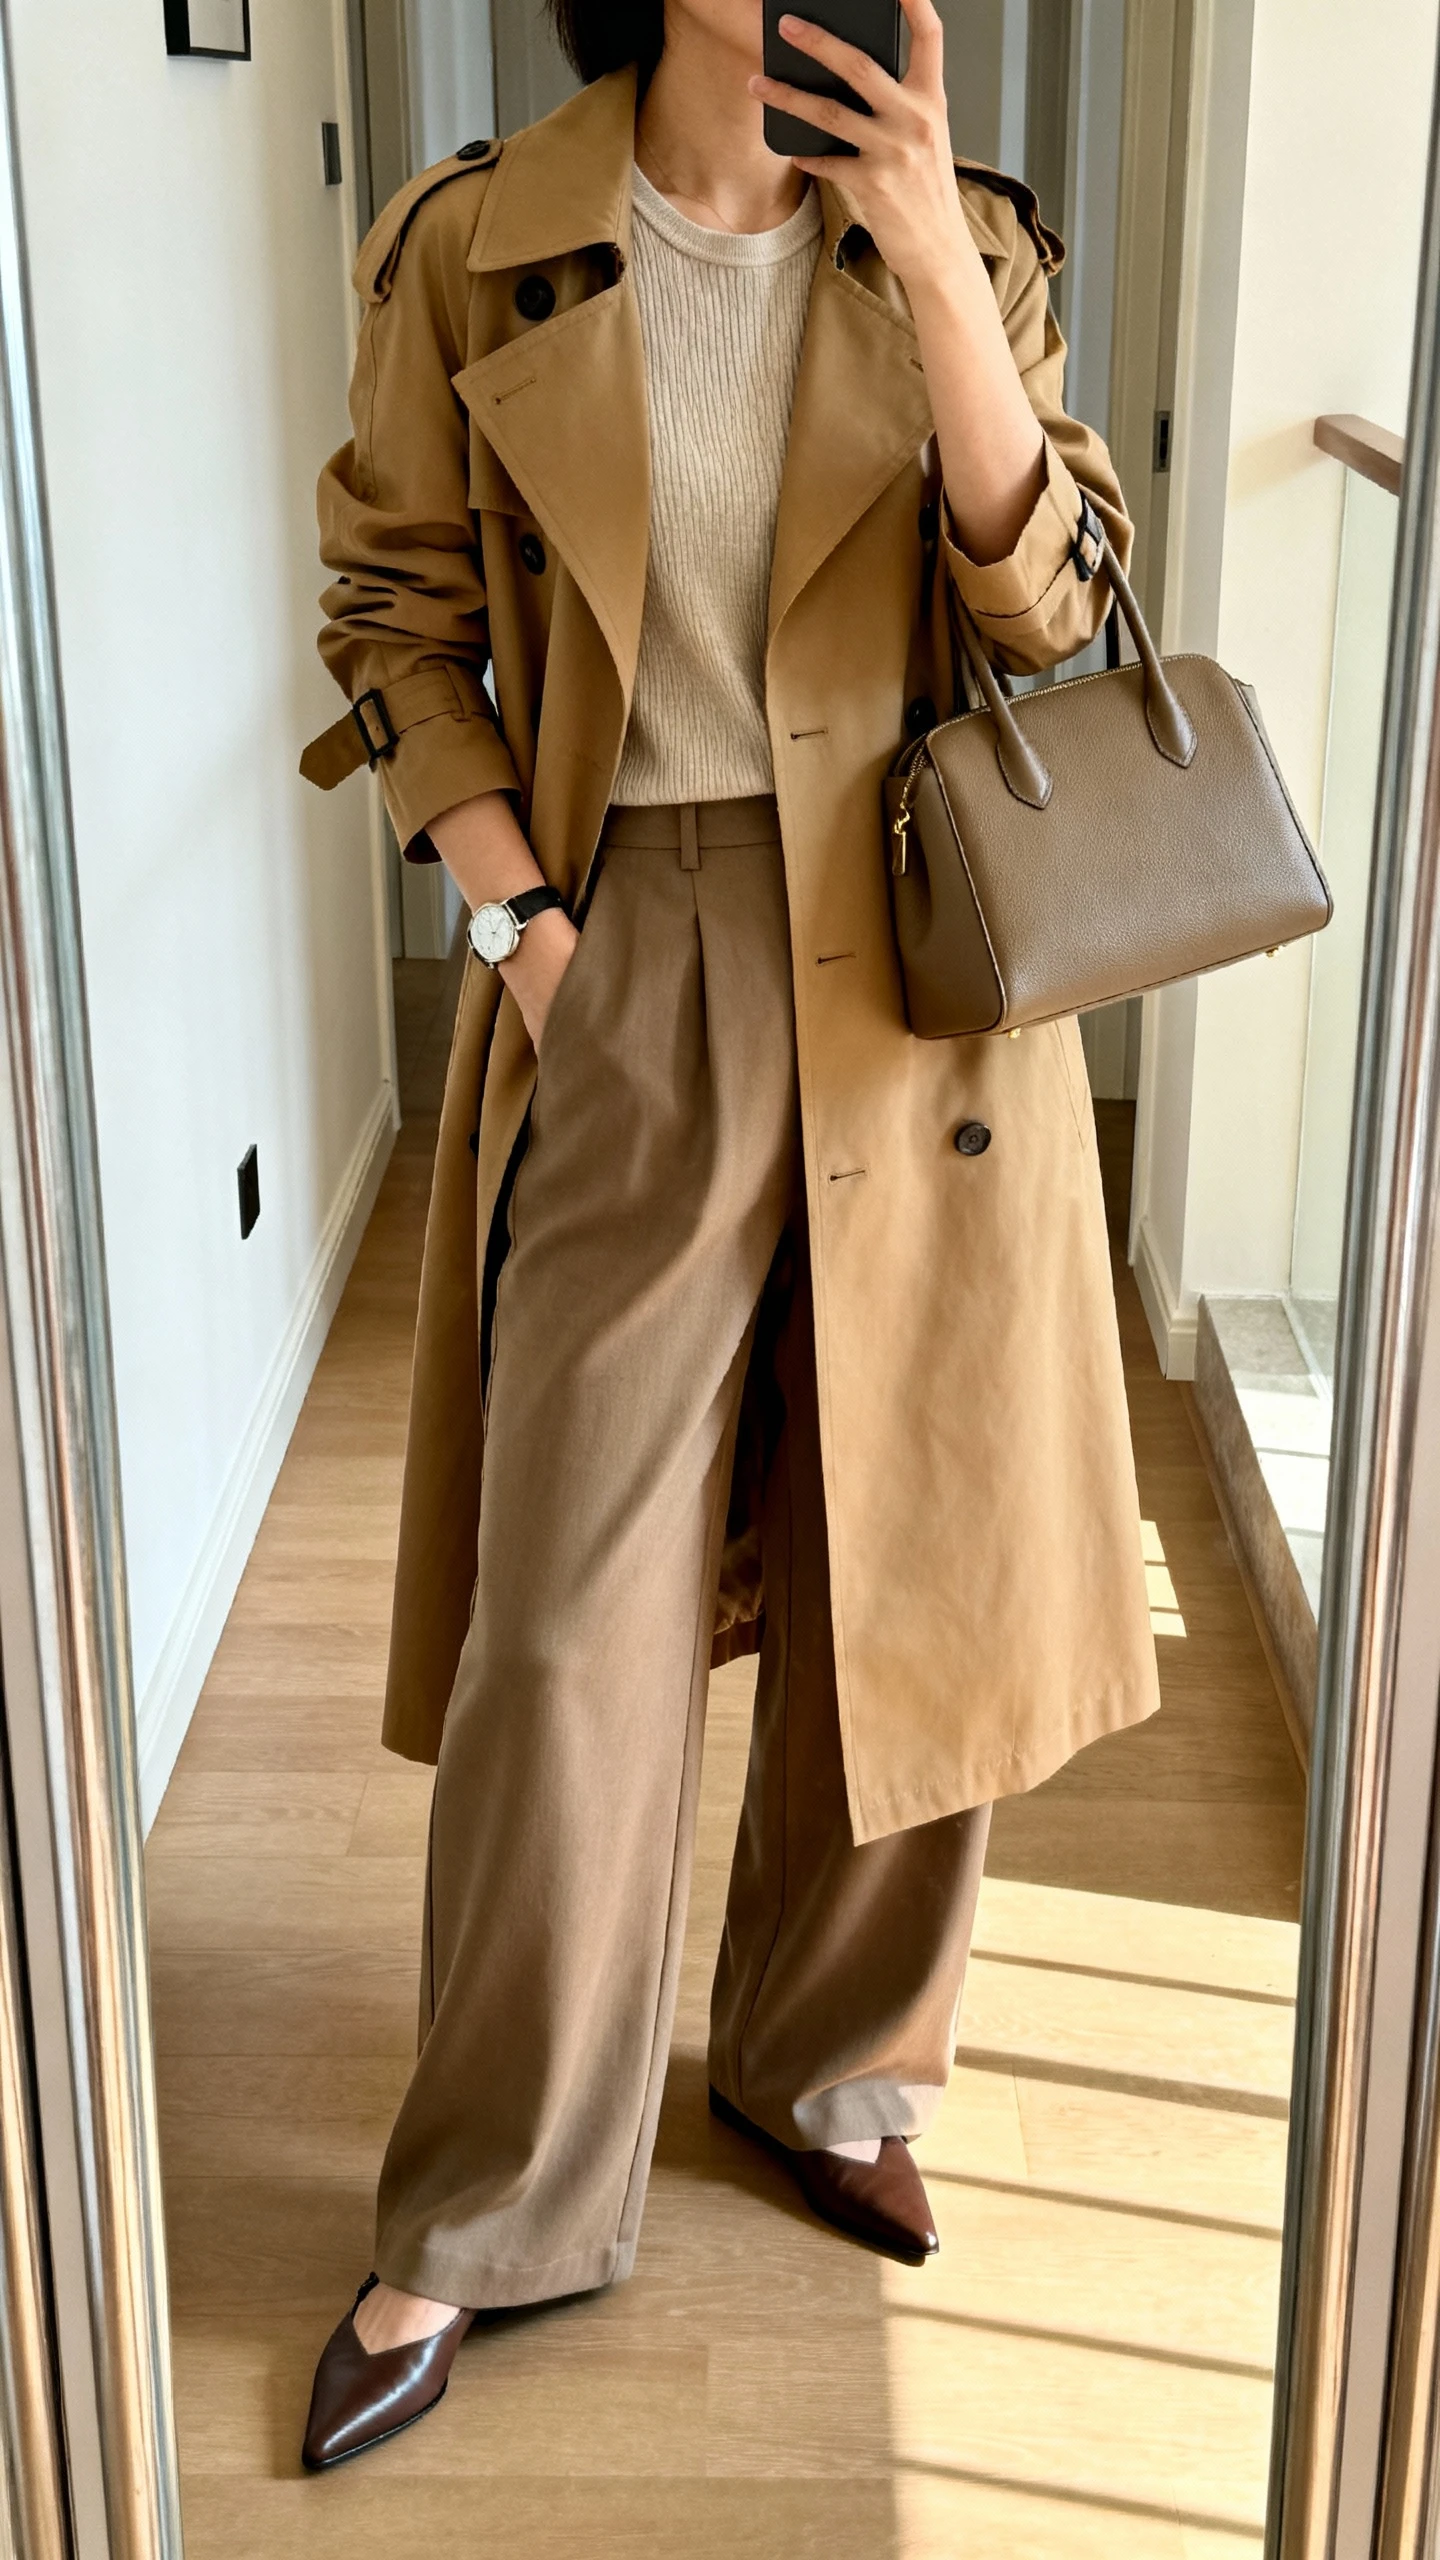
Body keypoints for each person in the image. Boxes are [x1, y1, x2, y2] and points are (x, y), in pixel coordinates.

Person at [297, 0, 1160, 2468]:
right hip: (631, 947)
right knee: (566, 1605)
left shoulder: (961, 246)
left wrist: (930, 263)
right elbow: (393, 609)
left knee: (923, 1541)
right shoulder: (483, 241)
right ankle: (488, 2190)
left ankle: (831, 2061)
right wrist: (534, 939)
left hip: (920, 955)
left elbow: (1061, 612)